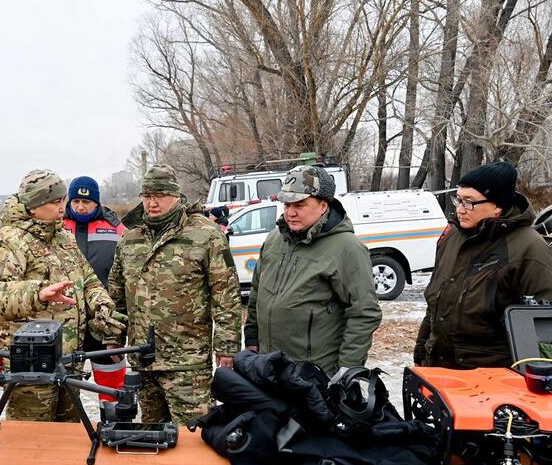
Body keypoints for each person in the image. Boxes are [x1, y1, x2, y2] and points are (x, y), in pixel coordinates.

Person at [0, 169, 126, 421]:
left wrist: (102, 307)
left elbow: (88, 280)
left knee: (68, 438)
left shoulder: (62, 236)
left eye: (62, 200)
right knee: (32, 443)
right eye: (56, 201)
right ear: (34, 205)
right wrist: (37, 294)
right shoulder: (9, 240)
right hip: (32, 371)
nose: (62, 207)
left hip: (69, 363)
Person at [108, 164, 242, 424]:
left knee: (195, 437)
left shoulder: (204, 234)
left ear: (176, 197)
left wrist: (226, 347)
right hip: (144, 361)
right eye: (147, 197)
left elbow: (226, 294)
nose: (152, 204)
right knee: (151, 437)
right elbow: (116, 293)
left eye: (159, 196)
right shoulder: (131, 238)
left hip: (188, 363)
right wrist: (113, 336)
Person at [243, 165, 382, 377]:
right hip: (269, 366)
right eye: (287, 204)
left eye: (299, 204)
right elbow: (257, 293)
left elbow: (364, 312)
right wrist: (252, 339)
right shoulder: (274, 239)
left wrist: (347, 369)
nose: (290, 212)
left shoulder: (347, 248)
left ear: (323, 206)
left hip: (314, 375)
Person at [413, 161, 552, 369]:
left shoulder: (528, 248)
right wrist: (421, 351)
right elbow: (435, 306)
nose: (460, 209)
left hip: (494, 378)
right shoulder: (451, 237)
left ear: (498, 206)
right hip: (440, 370)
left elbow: (544, 327)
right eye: (458, 200)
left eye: (469, 202)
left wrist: (538, 380)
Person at [62, 176, 127, 400]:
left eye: (86, 202)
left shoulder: (115, 229)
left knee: (112, 385)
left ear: (97, 203)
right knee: (65, 387)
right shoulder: (57, 227)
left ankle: (112, 426)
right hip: (67, 321)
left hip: (104, 320)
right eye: (75, 201)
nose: (80, 206)